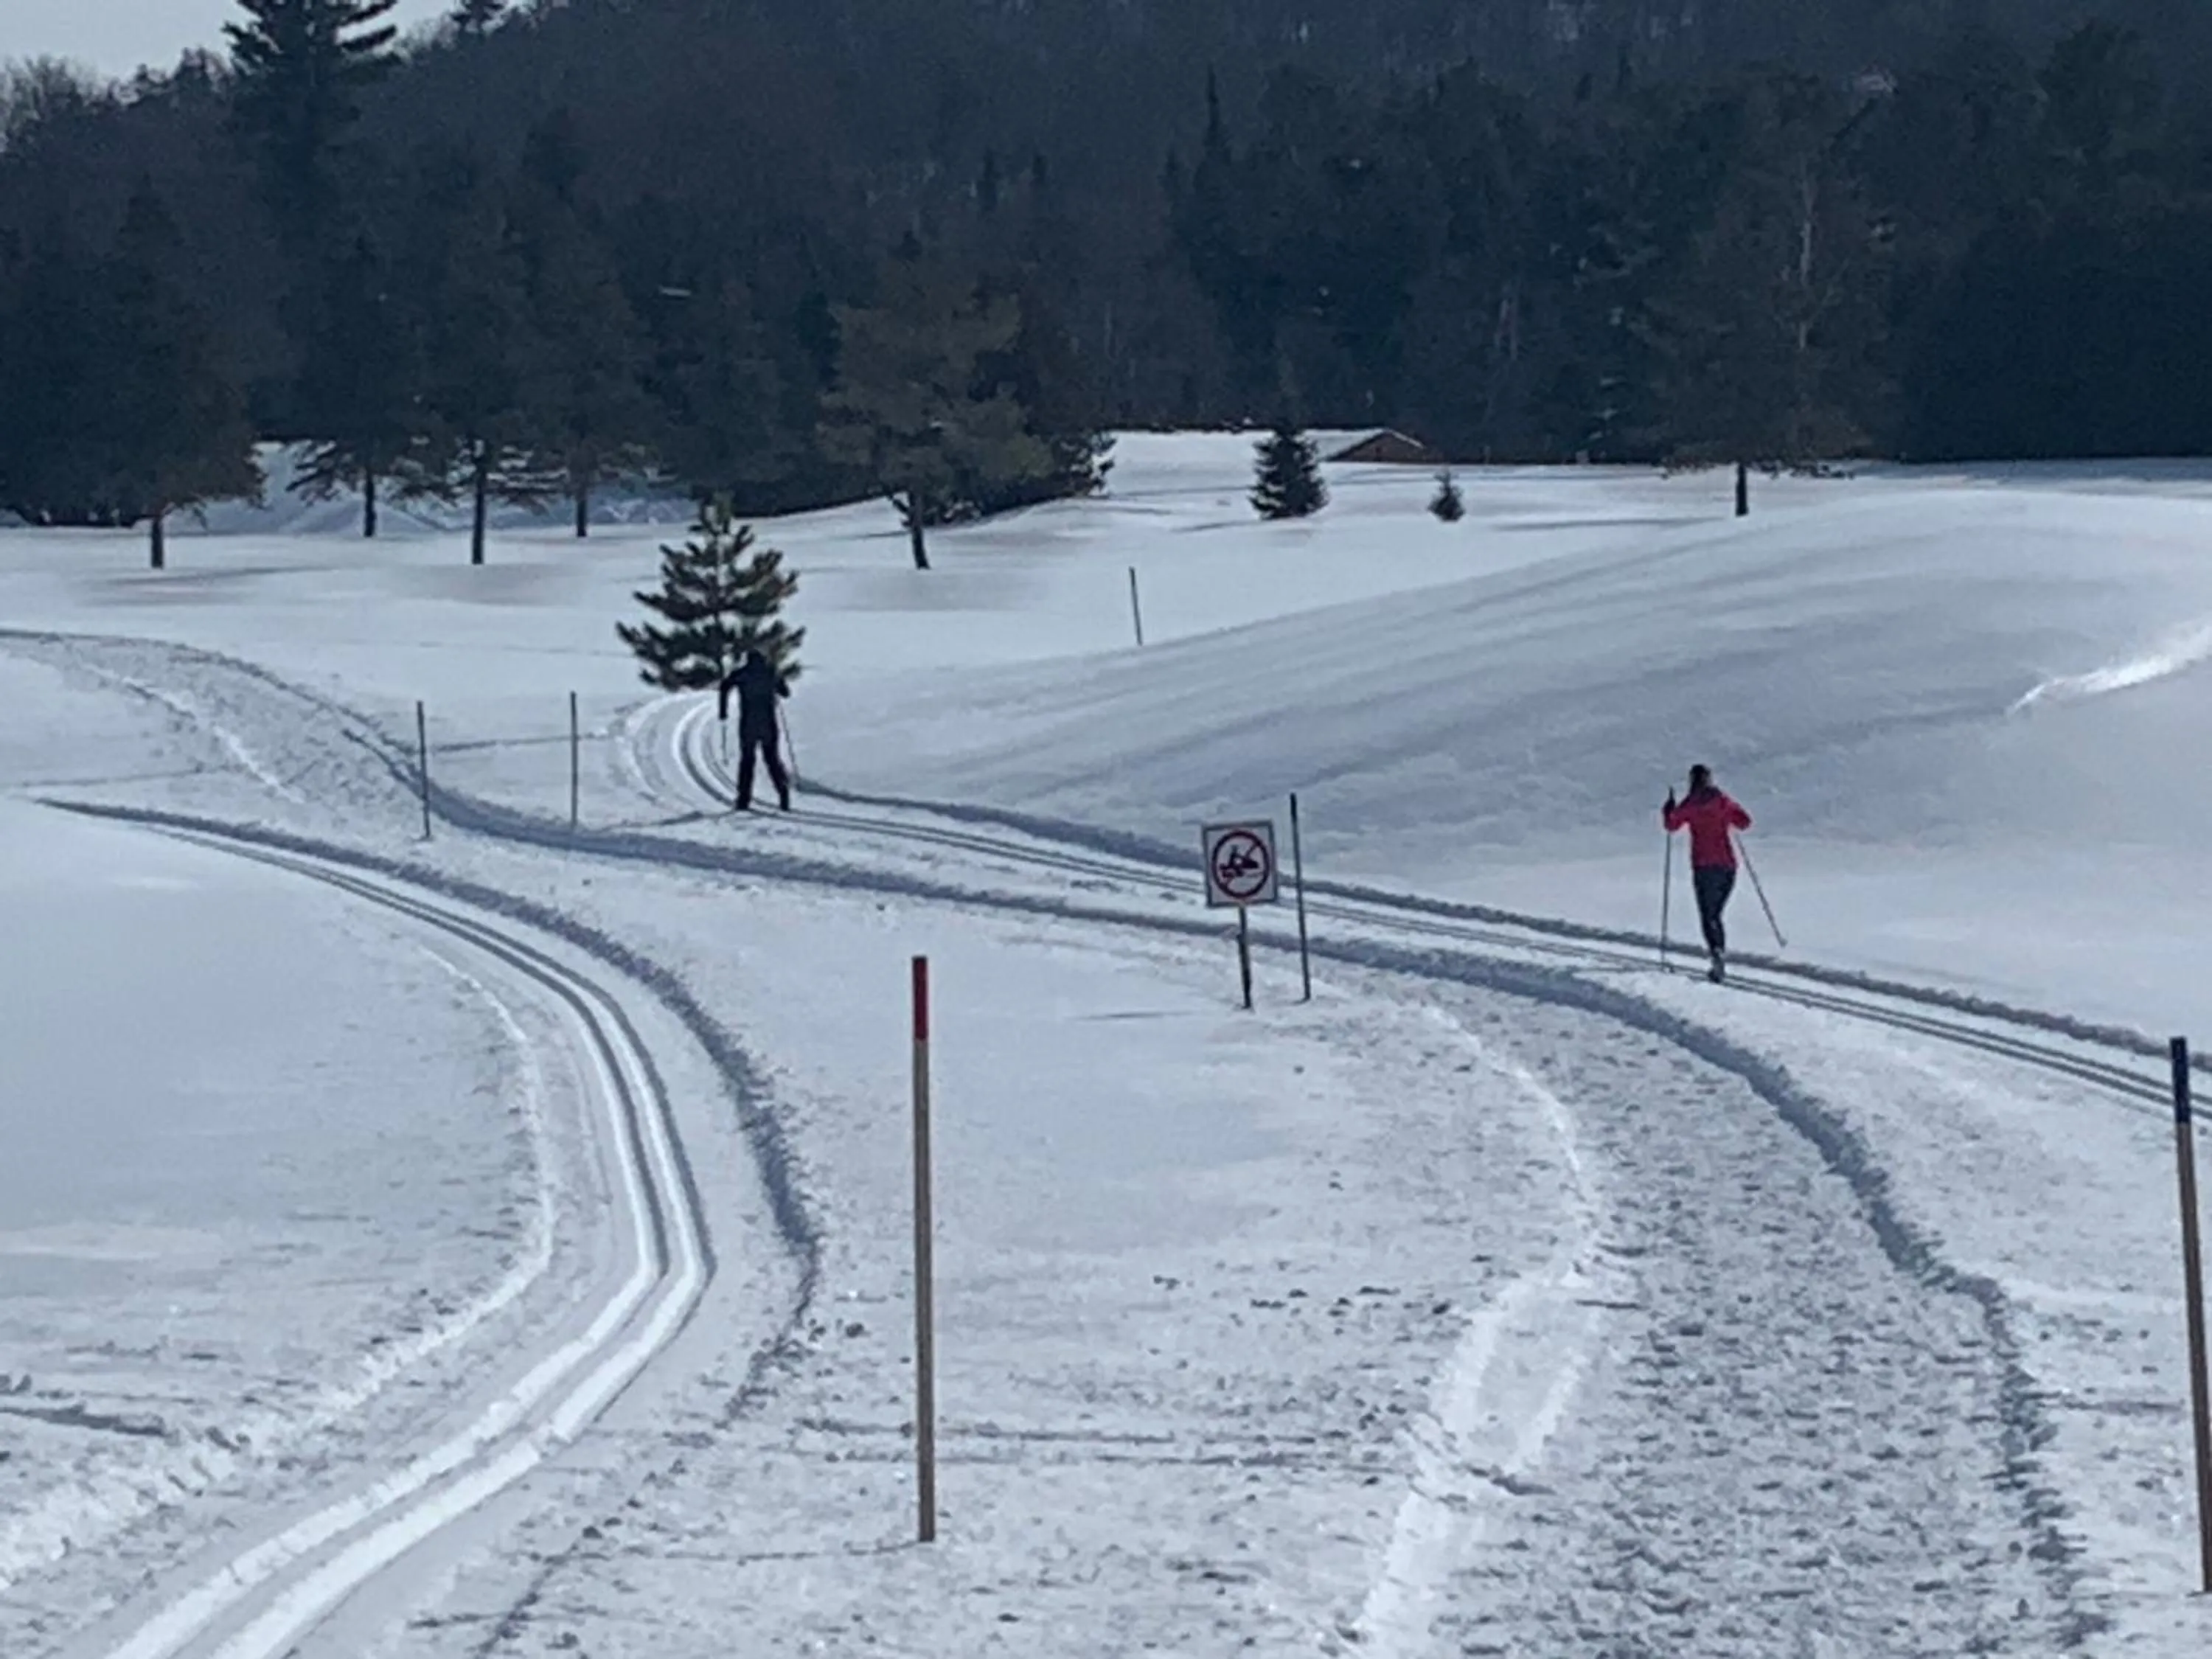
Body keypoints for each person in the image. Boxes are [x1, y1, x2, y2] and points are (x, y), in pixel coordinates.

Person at [1663, 764, 1752, 982]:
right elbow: (1745, 822)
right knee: (1716, 914)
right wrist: (1729, 813)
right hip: (1728, 866)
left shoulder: (1691, 804)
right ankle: (1718, 952)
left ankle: (1717, 953)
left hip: (1704, 866)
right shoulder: (1721, 800)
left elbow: (1672, 825)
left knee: (1709, 915)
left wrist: (1668, 809)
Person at [716, 647, 793, 812]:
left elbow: (724, 687)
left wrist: (723, 711)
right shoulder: (770, 672)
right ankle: (783, 792)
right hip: (769, 723)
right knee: (772, 759)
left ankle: (744, 800)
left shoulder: (742, 673)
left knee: (747, 761)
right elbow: (786, 693)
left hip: (748, 724)